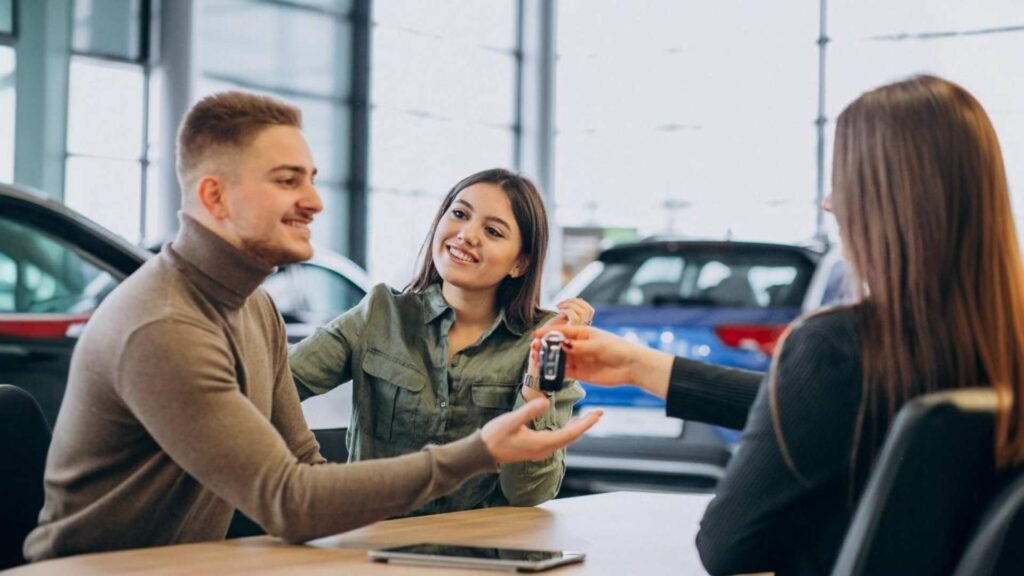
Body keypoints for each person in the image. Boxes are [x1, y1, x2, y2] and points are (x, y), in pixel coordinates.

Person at [23, 92, 601, 562]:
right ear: (214, 196)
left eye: (311, 178)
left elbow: (302, 465)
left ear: (522, 261)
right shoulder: (164, 324)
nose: (316, 201)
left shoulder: (253, 307)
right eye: (287, 180)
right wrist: (476, 451)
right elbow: (288, 499)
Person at [533, 75, 1024, 576]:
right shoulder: (994, 351)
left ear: (885, 198)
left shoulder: (838, 346)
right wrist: (641, 366)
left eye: (844, 178)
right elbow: (823, 407)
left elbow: (728, 546)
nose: (829, 203)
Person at [288, 168, 591, 515]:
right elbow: (277, 385)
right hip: (376, 543)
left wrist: (538, 380)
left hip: (486, 553)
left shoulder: (543, 341)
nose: (467, 235)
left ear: (520, 264)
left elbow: (529, 492)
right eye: (460, 214)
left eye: (492, 231)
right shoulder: (381, 313)